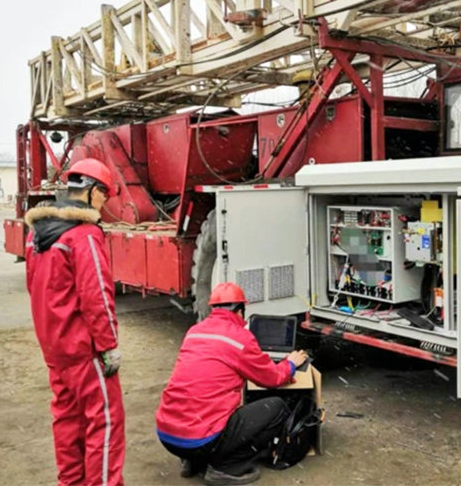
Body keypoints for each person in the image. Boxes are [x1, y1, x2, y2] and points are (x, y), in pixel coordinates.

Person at [24, 157, 125, 486]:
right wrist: (108, 346)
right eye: (105, 196)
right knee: (105, 423)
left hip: (55, 351)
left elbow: (34, 288)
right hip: (85, 351)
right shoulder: (84, 235)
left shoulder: (38, 235)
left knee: (67, 422)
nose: (105, 204)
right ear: (93, 192)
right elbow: (96, 296)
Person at [156, 282, 308, 486]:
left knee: (203, 408)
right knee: (277, 408)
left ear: (213, 309)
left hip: (168, 435)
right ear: (240, 311)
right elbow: (271, 379)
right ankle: (226, 468)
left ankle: (192, 462)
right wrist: (290, 364)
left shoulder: (194, 332)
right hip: (201, 438)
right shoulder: (240, 338)